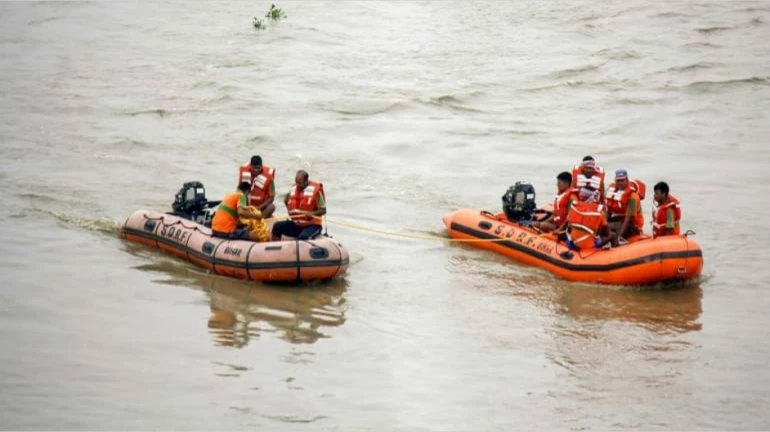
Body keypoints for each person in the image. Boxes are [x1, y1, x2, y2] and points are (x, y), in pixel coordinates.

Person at [271, 170, 326, 241]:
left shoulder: (316, 192)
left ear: (306, 181)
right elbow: (287, 204)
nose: (297, 185)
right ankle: (276, 248)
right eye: (296, 182)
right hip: (296, 224)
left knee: (303, 238)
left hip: (311, 225)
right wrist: (287, 205)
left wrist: (312, 213)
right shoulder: (293, 189)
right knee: (277, 226)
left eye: (299, 183)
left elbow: (323, 210)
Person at [606, 169, 644, 241]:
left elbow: (628, 218)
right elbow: (608, 213)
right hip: (619, 221)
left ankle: (617, 239)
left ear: (627, 180)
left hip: (633, 225)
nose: (620, 183)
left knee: (611, 226)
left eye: (622, 180)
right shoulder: (612, 193)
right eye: (618, 181)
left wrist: (619, 236)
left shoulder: (633, 197)